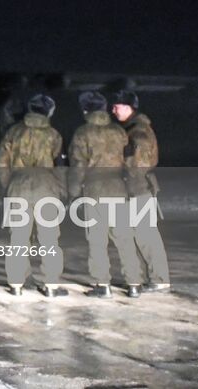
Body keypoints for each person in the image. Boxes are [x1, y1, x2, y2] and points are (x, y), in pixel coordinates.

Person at [67, 90, 142, 298]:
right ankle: (134, 283)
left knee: (97, 240)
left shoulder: (82, 133)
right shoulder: (118, 131)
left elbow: (78, 166)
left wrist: (72, 192)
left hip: (95, 191)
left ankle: (103, 284)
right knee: (124, 238)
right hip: (118, 189)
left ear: (85, 110)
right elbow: (129, 160)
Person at [0, 93, 66, 297]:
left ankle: (16, 284)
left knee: (18, 238)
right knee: (49, 239)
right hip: (46, 187)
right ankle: (51, 285)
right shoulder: (54, 135)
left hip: (19, 186)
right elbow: (60, 167)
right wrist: (62, 191)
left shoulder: (13, 132)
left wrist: (8, 188)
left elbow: (1, 164)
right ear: (49, 112)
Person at [112, 90, 170, 293]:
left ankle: (159, 279)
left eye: (117, 106)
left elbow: (140, 163)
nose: (113, 110)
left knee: (145, 235)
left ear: (129, 107)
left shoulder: (139, 131)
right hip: (131, 188)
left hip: (138, 189)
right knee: (135, 235)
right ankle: (143, 278)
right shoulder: (129, 129)